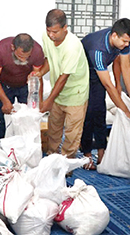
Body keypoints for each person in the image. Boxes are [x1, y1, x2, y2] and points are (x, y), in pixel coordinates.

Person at [80, 18, 130, 170]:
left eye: (128, 42)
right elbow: (107, 85)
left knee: (100, 111)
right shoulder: (98, 49)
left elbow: (125, 66)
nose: (127, 45)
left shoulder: (123, 42)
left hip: (100, 71)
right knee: (89, 112)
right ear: (114, 36)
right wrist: (125, 110)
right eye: (124, 41)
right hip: (83, 73)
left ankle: (102, 154)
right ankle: (86, 155)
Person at [36, 9, 89, 159]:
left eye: (55, 32)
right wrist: (40, 73)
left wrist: (48, 101)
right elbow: (50, 60)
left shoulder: (72, 46)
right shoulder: (47, 38)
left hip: (75, 94)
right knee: (54, 129)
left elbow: (63, 78)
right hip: (58, 92)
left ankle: (67, 164)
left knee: (72, 134)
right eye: (48, 31)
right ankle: (52, 158)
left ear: (65, 28)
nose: (51, 35)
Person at [0, 33, 44, 140]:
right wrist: (5, 101)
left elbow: (38, 77)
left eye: (27, 57)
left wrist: (40, 102)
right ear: (12, 47)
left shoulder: (37, 51)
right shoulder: (1, 49)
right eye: (20, 56)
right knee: (3, 116)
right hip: (4, 85)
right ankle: (2, 143)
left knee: (27, 117)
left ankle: (25, 144)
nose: (23, 60)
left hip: (24, 86)